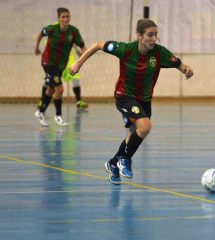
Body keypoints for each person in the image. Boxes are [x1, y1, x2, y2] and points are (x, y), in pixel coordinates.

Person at [69, 19, 194, 184]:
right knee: (145, 126)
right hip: (125, 97)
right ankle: (125, 160)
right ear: (140, 36)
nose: (154, 38)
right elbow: (99, 44)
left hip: (145, 100)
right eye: (150, 35)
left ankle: (113, 163)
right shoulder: (126, 49)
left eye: (156, 34)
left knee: (133, 135)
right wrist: (79, 62)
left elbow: (177, 63)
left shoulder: (159, 53)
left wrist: (185, 69)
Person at [34, 7, 86, 126]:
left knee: (51, 89)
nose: (65, 19)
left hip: (61, 64)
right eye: (63, 17)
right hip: (48, 62)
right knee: (60, 89)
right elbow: (41, 33)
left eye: (67, 16)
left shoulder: (73, 31)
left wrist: (83, 59)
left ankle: (40, 112)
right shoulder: (52, 29)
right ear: (59, 19)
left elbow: (83, 47)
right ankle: (58, 116)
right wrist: (36, 47)